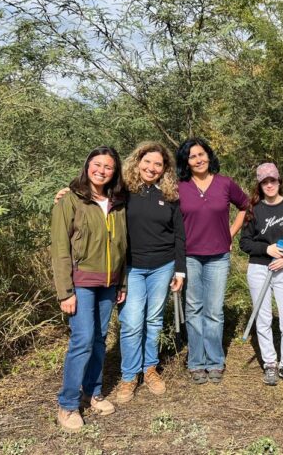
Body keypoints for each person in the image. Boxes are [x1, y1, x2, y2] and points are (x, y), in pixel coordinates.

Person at [51, 146, 128, 432]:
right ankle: (68, 404)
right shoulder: (70, 200)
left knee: (98, 339)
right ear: (87, 166)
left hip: (109, 283)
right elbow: (60, 248)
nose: (101, 170)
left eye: (108, 166)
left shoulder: (118, 202)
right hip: (80, 283)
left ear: (114, 172)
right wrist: (65, 292)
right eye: (97, 164)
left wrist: (121, 282)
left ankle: (92, 392)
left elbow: (123, 245)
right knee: (82, 340)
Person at [113, 142, 186, 403]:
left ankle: (150, 368)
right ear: (137, 161)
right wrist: (69, 192)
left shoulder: (169, 195)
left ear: (164, 169)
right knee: (132, 322)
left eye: (158, 164)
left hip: (162, 267)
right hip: (131, 267)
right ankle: (129, 375)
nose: (152, 168)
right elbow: (93, 193)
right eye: (147, 161)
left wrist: (180, 270)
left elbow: (179, 235)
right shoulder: (122, 191)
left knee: (154, 320)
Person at [176, 137, 248, 384]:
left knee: (214, 311)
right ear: (186, 162)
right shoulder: (180, 187)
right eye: (192, 156)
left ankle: (215, 361)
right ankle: (196, 361)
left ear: (209, 155)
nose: (198, 159)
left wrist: (231, 233)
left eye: (201, 154)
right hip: (189, 256)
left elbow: (245, 206)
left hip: (218, 256)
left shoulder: (225, 183)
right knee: (194, 309)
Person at [239, 163, 283, 387]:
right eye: (264, 182)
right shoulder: (254, 209)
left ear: (279, 181)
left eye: (273, 181)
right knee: (264, 318)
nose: (269, 185)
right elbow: (244, 243)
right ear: (259, 185)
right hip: (259, 269)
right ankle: (270, 363)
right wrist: (266, 249)